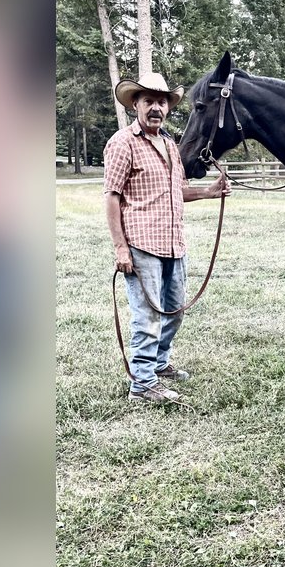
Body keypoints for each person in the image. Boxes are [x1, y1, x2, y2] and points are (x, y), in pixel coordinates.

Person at [104, 72, 230, 404]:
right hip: (141, 245)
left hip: (174, 243)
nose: (156, 108)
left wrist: (210, 192)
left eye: (162, 102)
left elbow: (177, 191)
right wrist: (121, 247)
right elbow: (112, 197)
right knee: (146, 317)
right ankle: (143, 385)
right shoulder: (122, 143)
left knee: (174, 311)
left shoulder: (171, 146)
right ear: (136, 105)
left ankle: (158, 365)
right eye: (149, 101)